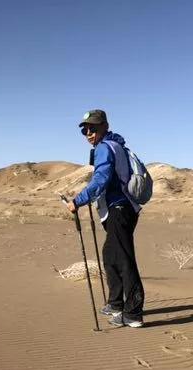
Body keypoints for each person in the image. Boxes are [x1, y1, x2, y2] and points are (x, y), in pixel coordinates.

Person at [65, 109, 145, 328]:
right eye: (85, 130)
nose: (89, 133)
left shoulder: (104, 148)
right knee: (111, 255)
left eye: (93, 127)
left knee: (125, 260)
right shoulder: (114, 146)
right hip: (119, 210)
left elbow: (100, 179)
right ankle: (116, 303)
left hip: (119, 209)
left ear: (105, 127)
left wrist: (78, 200)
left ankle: (133, 313)